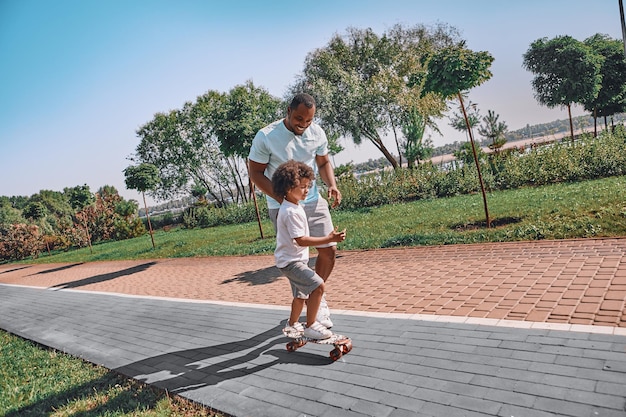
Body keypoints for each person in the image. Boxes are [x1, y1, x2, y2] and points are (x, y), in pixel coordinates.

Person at [248, 92, 341, 328]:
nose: (304, 124)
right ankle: (311, 300)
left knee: (328, 250)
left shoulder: (317, 133)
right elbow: (256, 173)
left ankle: (316, 299)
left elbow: (322, 162)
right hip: (281, 205)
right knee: (297, 258)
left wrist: (332, 184)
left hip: (312, 200)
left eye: (309, 120)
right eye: (299, 118)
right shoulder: (266, 136)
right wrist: (283, 198)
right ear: (288, 111)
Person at [271, 160, 346, 339]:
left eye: (308, 186)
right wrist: (329, 238)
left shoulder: (294, 206)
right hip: (291, 262)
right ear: (288, 188)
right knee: (318, 285)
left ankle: (292, 325)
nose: (307, 190)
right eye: (303, 187)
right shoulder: (291, 212)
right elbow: (301, 240)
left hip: (290, 260)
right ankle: (311, 325)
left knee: (300, 296)